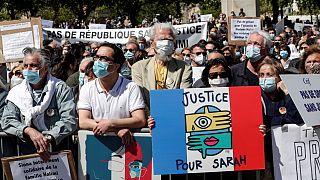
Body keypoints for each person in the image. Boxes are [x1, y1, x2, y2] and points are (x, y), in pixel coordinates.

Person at [1, 48, 77, 160]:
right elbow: (7, 120)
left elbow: (69, 120)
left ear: (45, 68)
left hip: (56, 154)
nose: (28, 70)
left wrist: (47, 138)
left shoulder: (60, 89)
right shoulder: (16, 93)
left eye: (33, 66)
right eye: (25, 66)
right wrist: (28, 131)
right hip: (26, 156)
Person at [78, 43, 146, 145]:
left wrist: (111, 124)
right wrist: (115, 129)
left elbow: (139, 119)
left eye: (104, 59)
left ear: (115, 66)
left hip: (126, 147)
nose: (97, 62)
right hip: (96, 145)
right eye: (96, 57)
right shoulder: (87, 88)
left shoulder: (131, 87)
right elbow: (83, 121)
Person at [258, 57, 304, 179]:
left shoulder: (285, 96)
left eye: (269, 75)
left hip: (288, 153)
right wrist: (281, 119)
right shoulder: (255, 97)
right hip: (266, 154)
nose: (264, 78)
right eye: (261, 75)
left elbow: (296, 118)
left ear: (278, 77)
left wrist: (288, 92)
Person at [131, 23, 192, 108]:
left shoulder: (184, 67)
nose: (166, 43)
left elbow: (184, 96)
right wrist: (148, 117)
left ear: (174, 43)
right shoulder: (138, 67)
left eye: (170, 39)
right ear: (152, 43)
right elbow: (139, 98)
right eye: (161, 39)